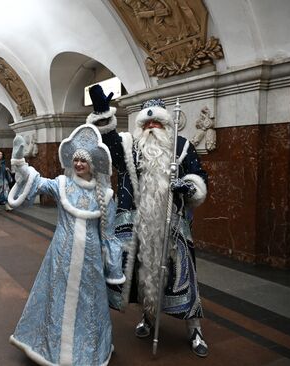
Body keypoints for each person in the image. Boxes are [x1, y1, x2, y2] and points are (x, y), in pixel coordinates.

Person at [86, 84, 209, 357]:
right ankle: (149, 317)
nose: (152, 126)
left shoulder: (182, 145)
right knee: (143, 276)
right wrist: (103, 114)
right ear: (141, 125)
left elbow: (199, 175)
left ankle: (195, 328)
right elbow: (111, 148)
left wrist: (187, 187)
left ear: (166, 123)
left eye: (157, 122)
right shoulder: (131, 146)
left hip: (173, 224)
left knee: (183, 277)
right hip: (137, 223)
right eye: (148, 122)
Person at [8, 124, 125, 365]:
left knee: (88, 303)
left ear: (92, 164)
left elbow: (110, 234)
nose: (79, 164)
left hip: (90, 260)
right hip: (61, 253)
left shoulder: (106, 194)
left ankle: (87, 350)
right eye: (76, 160)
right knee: (58, 297)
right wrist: (19, 162)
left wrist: (114, 270)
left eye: (83, 161)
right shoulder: (62, 184)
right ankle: (53, 349)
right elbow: (37, 182)